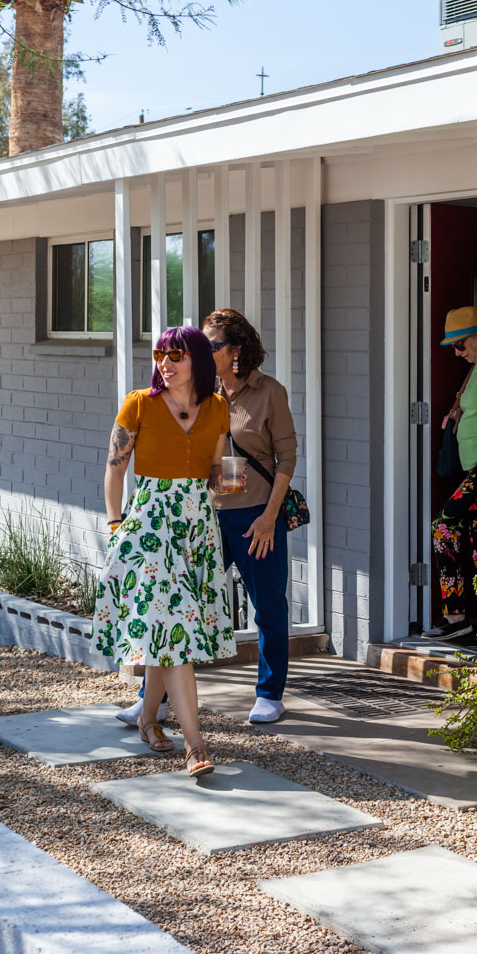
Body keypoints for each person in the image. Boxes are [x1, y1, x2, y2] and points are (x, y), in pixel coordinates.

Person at [94, 325, 236, 777]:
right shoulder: (139, 404)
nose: (164, 363)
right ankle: (195, 746)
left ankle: (149, 720)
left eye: (175, 355)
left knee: (164, 631)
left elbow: (216, 470)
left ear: (196, 359)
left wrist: (226, 482)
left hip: (196, 529)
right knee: (176, 632)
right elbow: (114, 470)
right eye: (159, 355)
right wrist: (116, 523)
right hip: (150, 530)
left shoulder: (217, 408)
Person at [204, 308, 297, 724]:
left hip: (257, 516)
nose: (204, 352)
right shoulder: (203, 392)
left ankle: (270, 693)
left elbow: (287, 459)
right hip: (211, 515)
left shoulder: (269, 392)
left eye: (213, 345)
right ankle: (157, 695)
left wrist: (268, 517)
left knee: (269, 609)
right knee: (181, 598)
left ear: (235, 350)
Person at [425, 305, 477, 642]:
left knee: (443, 526)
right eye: (454, 347)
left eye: (460, 345)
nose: (457, 353)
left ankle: (455, 615)